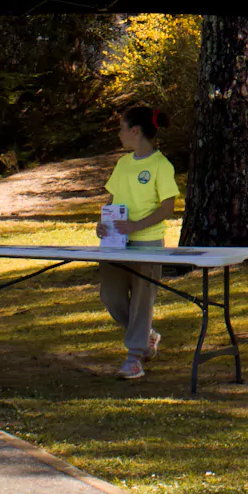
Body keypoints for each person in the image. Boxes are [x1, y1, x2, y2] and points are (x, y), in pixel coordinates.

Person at [99, 104, 181, 381]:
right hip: (116, 245)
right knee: (111, 298)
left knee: (141, 302)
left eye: (121, 128)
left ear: (135, 131)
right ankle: (147, 335)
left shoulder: (161, 165)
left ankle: (134, 359)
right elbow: (112, 201)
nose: (119, 134)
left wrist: (136, 226)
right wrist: (103, 223)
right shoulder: (122, 164)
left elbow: (168, 207)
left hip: (147, 245)